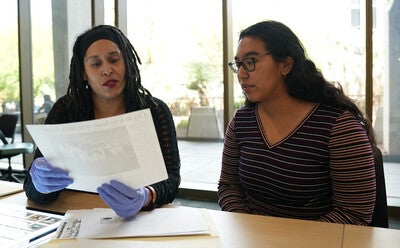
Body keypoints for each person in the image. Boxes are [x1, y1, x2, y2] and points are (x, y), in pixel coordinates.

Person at [218, 20, 376, 225]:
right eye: (238, 64)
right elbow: (229, 187)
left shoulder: (338, 126)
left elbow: (353, 213)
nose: (241, 74)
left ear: (285, 64)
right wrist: (249, 228)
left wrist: (288, 240)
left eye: (251, 61)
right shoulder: (242, 121)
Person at [24, 25, 181, 218]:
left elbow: (172, 180)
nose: (107, 70)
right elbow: (32, 191)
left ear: (127, 63)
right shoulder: (65, 110)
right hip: (76, 215)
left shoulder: (155, 110)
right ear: (83, 72)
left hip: (137, 219)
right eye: (96, 64)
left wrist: (146, 195)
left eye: (114, 60)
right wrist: (40, 184)